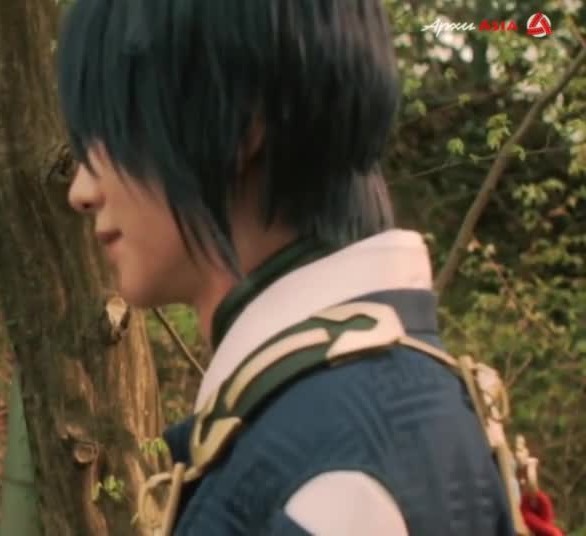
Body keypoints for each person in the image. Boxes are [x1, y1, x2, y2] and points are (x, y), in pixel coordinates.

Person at [55, 1, 524, 534]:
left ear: (236, 121)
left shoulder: (335, 476)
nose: (81, 192)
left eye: (109, 134)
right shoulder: (357, 410)